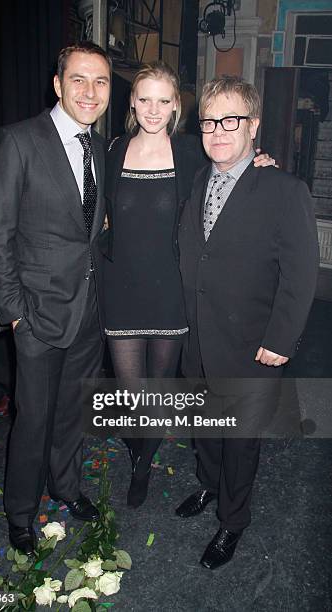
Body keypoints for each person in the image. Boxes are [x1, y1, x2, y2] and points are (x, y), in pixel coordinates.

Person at [101, 62, 275, 509]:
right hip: (121, 292)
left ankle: (143, 464)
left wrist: (262, 160)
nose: (153, 109)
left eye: (164, 100)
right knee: (131, 395)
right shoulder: (113, 150)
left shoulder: (193, 153)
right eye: (144, 99)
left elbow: (233, 164)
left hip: (171, 294)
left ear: (176, 105)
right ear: (132, 103)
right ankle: (139, 448)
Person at [176, 76, 319, 569]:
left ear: (253, 125)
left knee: (238, 442)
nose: (218, 131)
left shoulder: (285, 189)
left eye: (231, 120)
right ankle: (210, 488)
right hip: (198, 338)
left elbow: (301, 274)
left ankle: (232, 521)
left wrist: (281, 339)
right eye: (210, 121)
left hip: (252, 345)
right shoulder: (199, 181)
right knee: (205, 431)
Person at [0, 42, 111, 555]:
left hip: (88, 309)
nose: (90, 91)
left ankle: (67, 486)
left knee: (72, 412)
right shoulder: (17, 142)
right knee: (33, 418)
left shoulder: (98, 147)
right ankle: (19, 513)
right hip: (35, 314)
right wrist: (14, 315)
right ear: (57, 84)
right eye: (79, 79)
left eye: (100, 82)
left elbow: (87, 230)